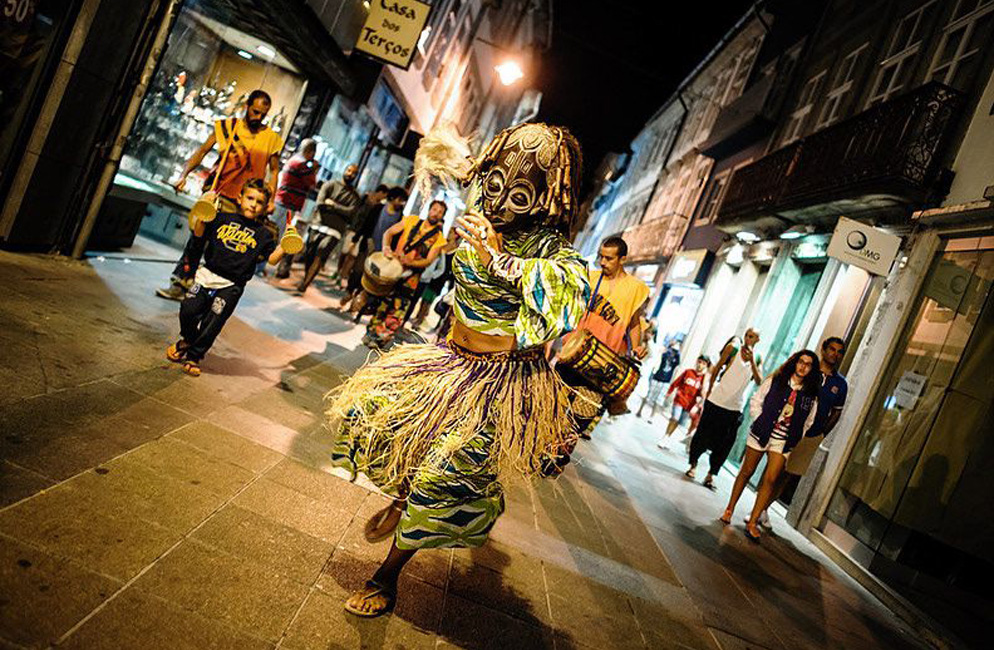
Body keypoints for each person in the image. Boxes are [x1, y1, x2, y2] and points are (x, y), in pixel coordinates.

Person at [327, 122, 588, 618]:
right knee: (377, 418)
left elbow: (566, 298)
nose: (499, 200)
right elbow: (458, 170)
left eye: (519, 193)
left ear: (546, 197)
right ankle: (404, 500)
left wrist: (498, 261)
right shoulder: (478, 212)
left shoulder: (554, 253)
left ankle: (387, 575)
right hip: (449, 361)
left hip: (498, 384)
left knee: (446, 476)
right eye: (494, 185)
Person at [157, 90, 284, 300]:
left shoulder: (271, 138)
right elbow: (202, 151)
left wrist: (270, 199)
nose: (258, 117)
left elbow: (275, 171)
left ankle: (211, 292)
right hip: (221, 195)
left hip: (247, 203)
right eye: (255, 111)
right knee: (197, 241)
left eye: (263, 114)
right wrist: (184, 174)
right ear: (247, 106)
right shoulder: (227, 127)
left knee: (230, 250)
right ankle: (181, 284)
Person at [165, 179, 285, 376]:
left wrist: (285, 247)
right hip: (207, 275)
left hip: (232, 284)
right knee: (188, 309)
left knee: (213, 323)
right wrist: (203, 212)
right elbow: (198, 235)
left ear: (265, 207)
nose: (253, 204)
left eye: (259, 202)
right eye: (250, 198)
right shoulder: (221, 218)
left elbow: (272, 259)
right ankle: (188, 339)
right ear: (239, 198)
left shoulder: (264, 235)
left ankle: (194, 356)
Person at [720, 350, 821, 542]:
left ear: (812, 369)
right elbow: (756, 400)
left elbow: (809, 421)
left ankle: (753, 521)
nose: (803, 367)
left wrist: (796, 436)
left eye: (808, 365)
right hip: (761, 433)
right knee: (747, 471)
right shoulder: (777, 379)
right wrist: (760, 420)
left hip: (783, 441)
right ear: (795, 362)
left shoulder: (811, 394)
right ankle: (729, 509)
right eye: (801, 362)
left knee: (771, 478)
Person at [557, 236, 649, 438]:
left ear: (622, 259)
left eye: (609, 258)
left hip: (600, 369)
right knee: (551, 413)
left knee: (576, 424)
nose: (603, 262)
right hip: (570, 357)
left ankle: (556, 460)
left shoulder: (635, 288)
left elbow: (634, 324)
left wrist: (637, 347)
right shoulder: (589, 277)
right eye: (601, 257)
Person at [752, 337, 847, 529]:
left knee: (788, 475)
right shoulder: (809, 370)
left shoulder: (841, 384)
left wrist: (821, 433)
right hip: (788, 430)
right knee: (773, 472)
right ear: (823, 349)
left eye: (839, 351)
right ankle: (755, 509)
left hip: (811, 435)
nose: (835, 354)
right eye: (832, 349)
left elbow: (837, 411)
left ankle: (764, 509)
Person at [362, 200, 448, 348]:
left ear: (443, 216)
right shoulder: (411, 220)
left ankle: (380, 339)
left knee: (398, 309)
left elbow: (428, 261)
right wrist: (386, 248)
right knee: (383, 302)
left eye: (440, 212)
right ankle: (370, 332)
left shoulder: (439, 239)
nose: (436, 213)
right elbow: (388, 232)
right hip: (393, 269)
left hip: (412, 278)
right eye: (434, 209)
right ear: (429, 210)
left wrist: (410, 263)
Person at [686, 329, 763, 490]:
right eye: (748, 335)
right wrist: (708, 391)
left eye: (753, 337)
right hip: (717, 401)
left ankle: (711, 474)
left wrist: (753, 362)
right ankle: (693, 465)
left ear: (758, 340)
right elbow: (717, 368)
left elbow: (758, 380)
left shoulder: (757, 358)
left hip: (735, 407)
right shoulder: (732, 348)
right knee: (703, 435)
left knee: (725, 443)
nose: (749, 338)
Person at [291, 163, 361, 294]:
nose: (350, 174)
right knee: (309, 254)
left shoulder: (355, 196)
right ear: (344, 170)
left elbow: (350, 213)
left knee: (321, 253)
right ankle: (307, 277)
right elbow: (320, 203)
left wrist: (333, 205)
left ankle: (305, 284)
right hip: (317, 223)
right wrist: (339, 209)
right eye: (349, 170)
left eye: (354, 173)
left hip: (335, 231)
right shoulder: (330, 185)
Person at [270, 139, 319, 279]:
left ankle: (264, 264)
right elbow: (312, 184)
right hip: (286, 203)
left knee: (277, 234)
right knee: (277, 235)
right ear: (310, 152)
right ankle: (262, 264)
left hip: (285, 202)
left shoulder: (294, 160)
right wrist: (314, 169)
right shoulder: (301, 165)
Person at [338, 185, 389, 313]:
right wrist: (356, 238)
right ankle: (348, 288)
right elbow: (364, 222)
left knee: (366, 276)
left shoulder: (397, 215)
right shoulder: (375, 205)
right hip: (365, 242)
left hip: (379, 253)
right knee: (356, 269)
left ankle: (355, 302)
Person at [658, 355, 711, 446]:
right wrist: (669, 393)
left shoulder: (703, 380)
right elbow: (676, 383)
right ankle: (665, 436)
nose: (700, 365)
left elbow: (702, 394)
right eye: (699, 362)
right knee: (675, 418)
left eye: (703, 363)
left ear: (706, 366)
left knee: (678, 422)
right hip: (679, 399)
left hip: (689, 405)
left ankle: (667, 437)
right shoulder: (688, 372)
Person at [637, 339, 682, 421]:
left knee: (659, 400)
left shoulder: (676, 357)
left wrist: (677, 352)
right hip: (657, 376)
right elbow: (660, 356)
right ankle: (640, 410)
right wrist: (669, 346)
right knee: (648, 395)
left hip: (666, 381)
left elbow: (678, 362)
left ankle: (652, 416)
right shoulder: (665, 352)